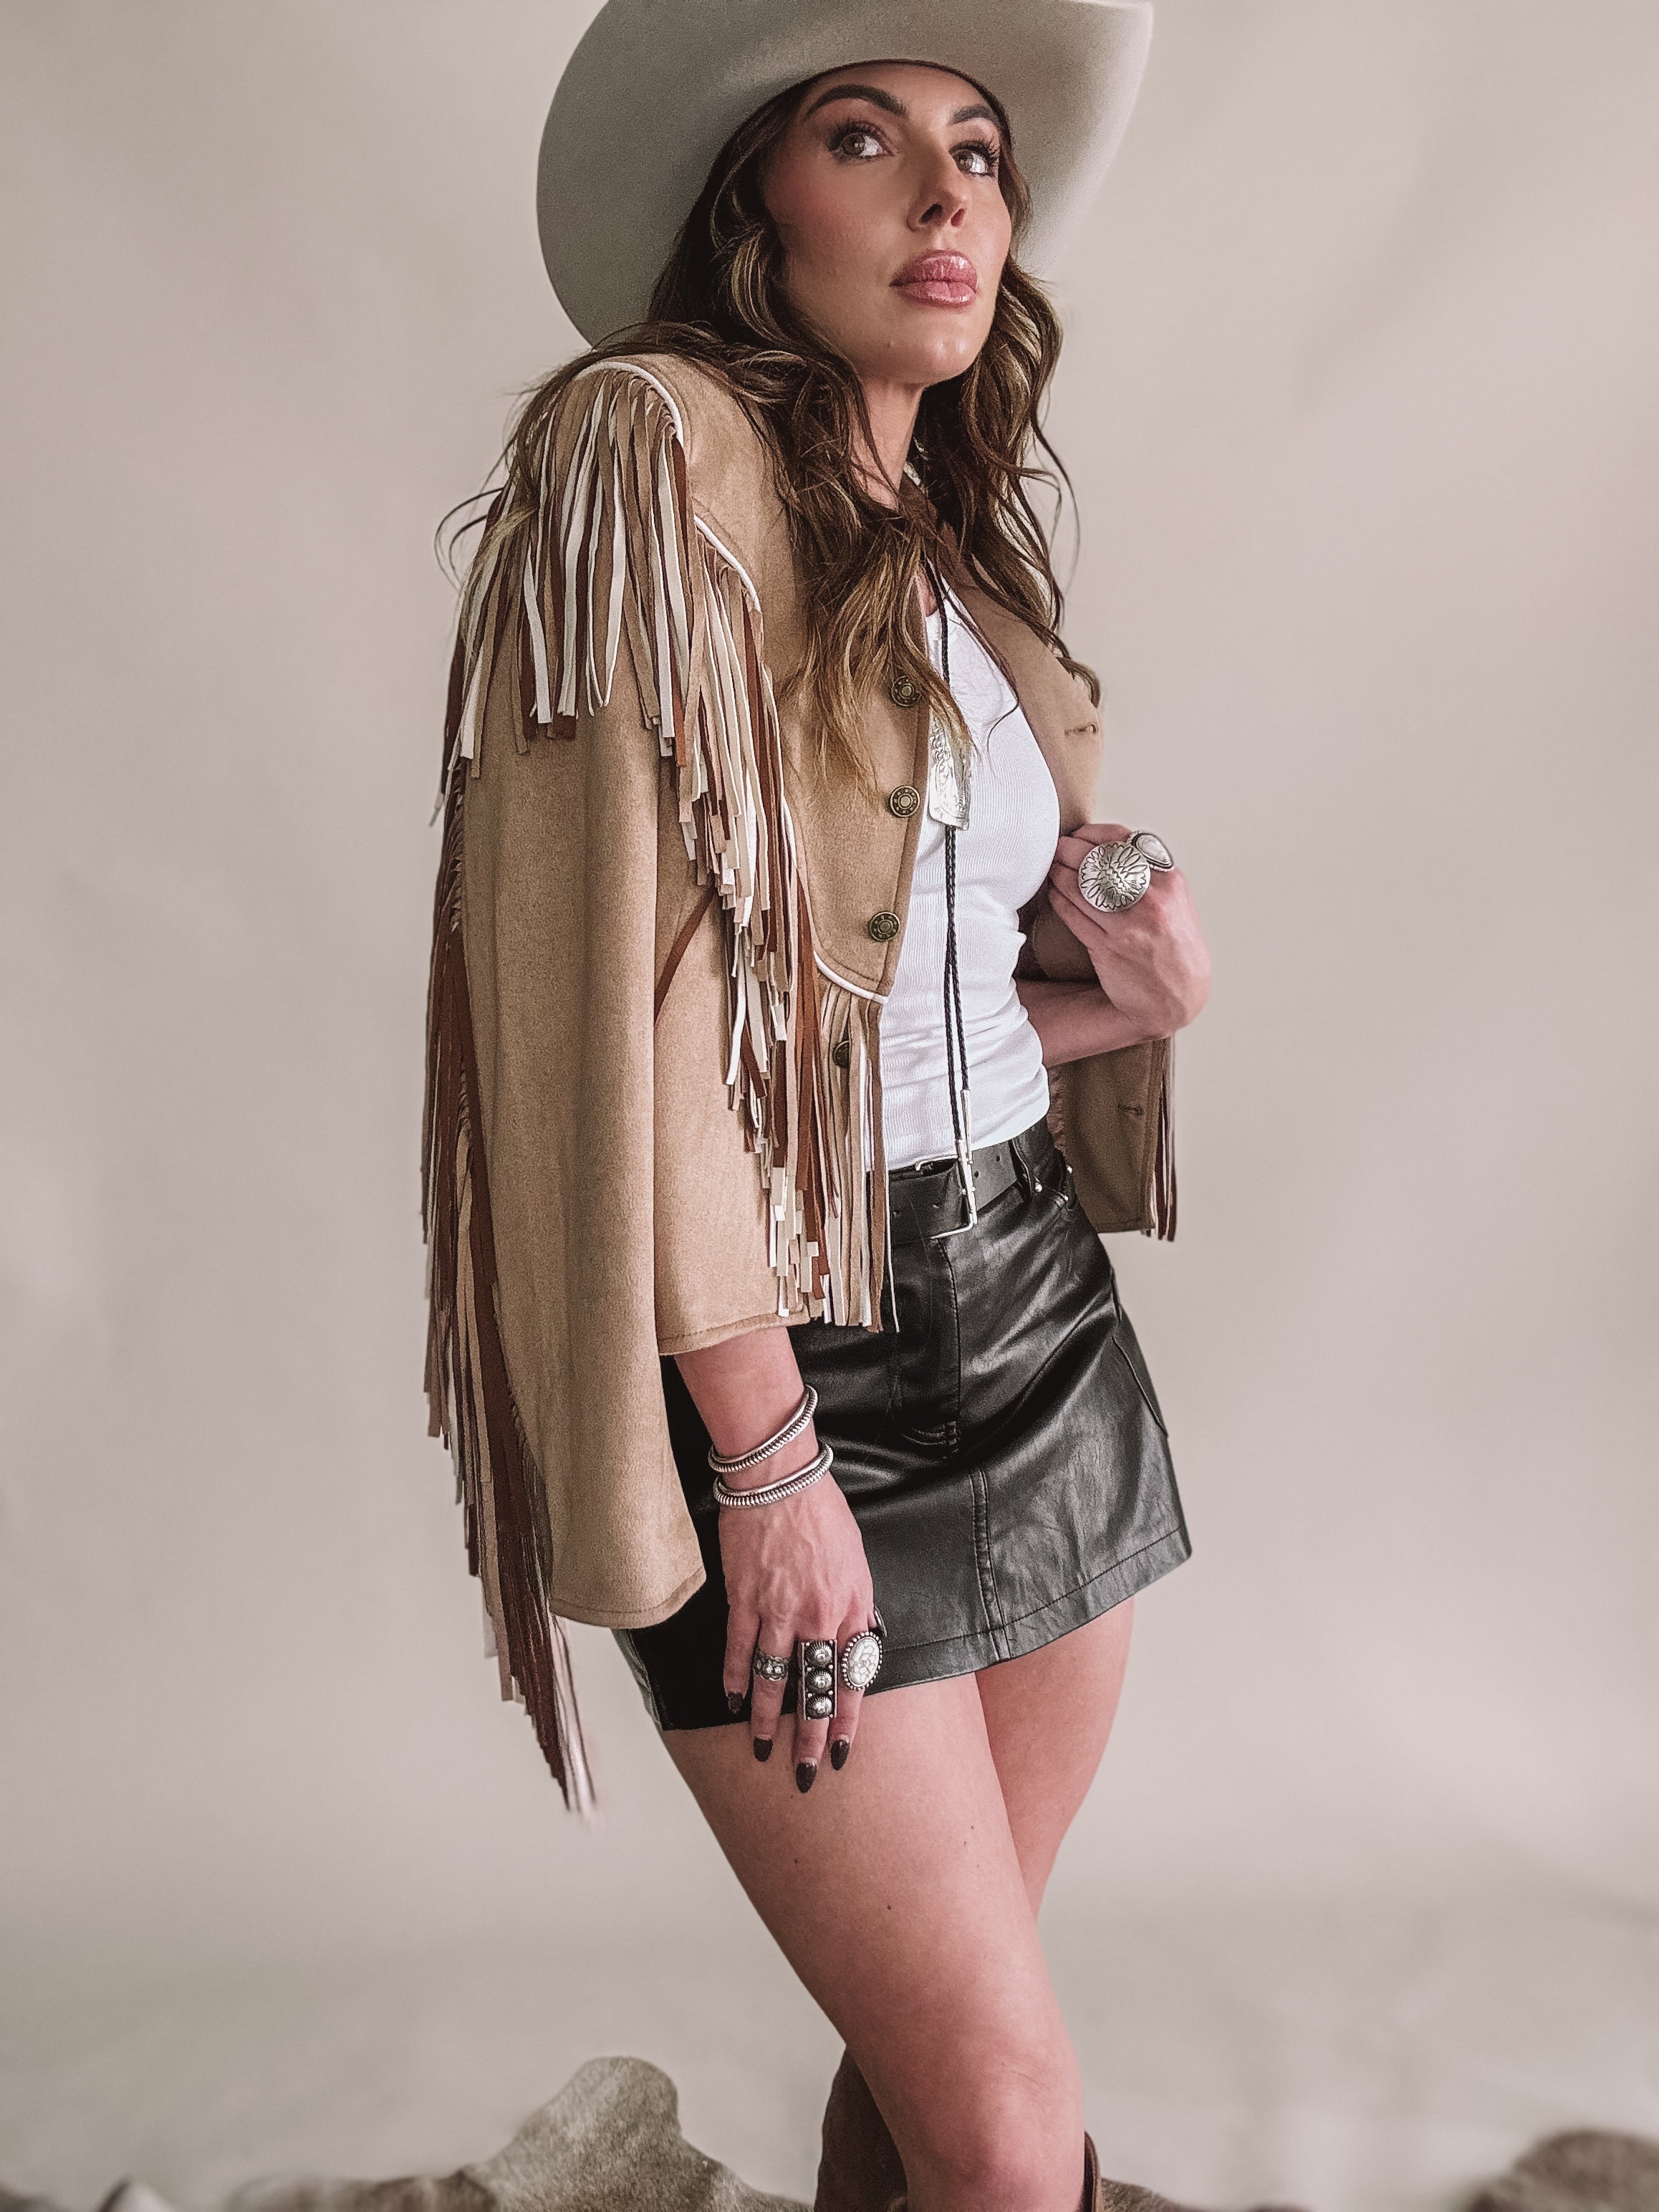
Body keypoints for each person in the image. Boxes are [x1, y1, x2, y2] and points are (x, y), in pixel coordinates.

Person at [420, 5, 1212, 2207]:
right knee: (1003, 2124)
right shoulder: (642, 455)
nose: (949, 193)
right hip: (786, 1359)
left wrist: (1127, 1004)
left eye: (978, 149)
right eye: (864, 139)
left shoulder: (931, 535)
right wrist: (763, 1456)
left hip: (1028, 1305)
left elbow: (870, 1020)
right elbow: (631, 1039)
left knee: (955, 2052)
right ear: (748, 201)